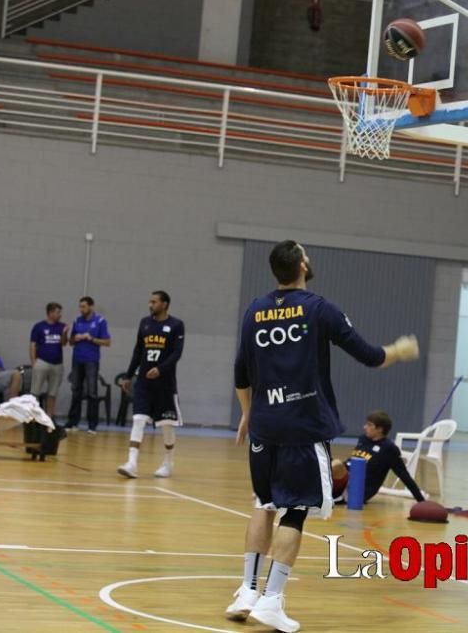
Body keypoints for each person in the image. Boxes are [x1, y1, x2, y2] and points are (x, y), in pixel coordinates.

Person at [226, 240, 420, 632]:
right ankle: (271, 600)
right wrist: (398, 351)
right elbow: (369, 355)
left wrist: (247, 416)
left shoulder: (254, 310)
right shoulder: (318, 308)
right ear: (301, 264)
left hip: (264, 424)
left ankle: (247, 591)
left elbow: (241, 373)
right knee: (294, 511)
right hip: (303, 425)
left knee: (264, 504)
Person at [117, 290, 185, 479]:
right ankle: (132, 463)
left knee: (167, 425)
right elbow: (138, 351)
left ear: (164, 304)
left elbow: (177, 354)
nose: (150, 305)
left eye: (154, 302)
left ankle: (168, 462)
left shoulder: (176, 325)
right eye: (149, 301)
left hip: (165, 384)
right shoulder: (145, 323)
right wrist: (128, 375)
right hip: (144, 382)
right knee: (138, 419)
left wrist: (160, 369)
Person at [330, 410, 425, 505]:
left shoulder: (389, 449)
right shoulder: (363, 439)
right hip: (344, 479)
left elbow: (404, 475)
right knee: (323, 461)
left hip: (355, 490)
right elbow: (351, 461)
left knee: (336, 464)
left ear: (380, 429)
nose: (365, 427)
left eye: (369, 425)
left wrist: (421, 501)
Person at [65, 296, 111, 433]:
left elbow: (107, 342)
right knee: (76, 391)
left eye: (84, 307)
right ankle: (73, 422)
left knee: (92, 392)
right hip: (77, 359)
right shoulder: (77, 321)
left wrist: (92, 339)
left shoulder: (100, 321)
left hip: (91, 360)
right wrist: (75, 338)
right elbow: (70, 342)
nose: (81, 309)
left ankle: (92, 425)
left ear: (91, 306)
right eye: (80, 307)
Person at [29, 302, 68, 418]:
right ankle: (33, 416)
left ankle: (49, 416)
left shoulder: (62, 326)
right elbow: (32, 345)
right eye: (57, 312)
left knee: (52, 392)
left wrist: (65, 333)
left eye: (60, 312)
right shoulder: (39, 326)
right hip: (42, 361)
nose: (60, 315)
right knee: (35, 391)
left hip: (57, 364)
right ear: (50, 313)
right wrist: (33, 362)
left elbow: (64, 343)